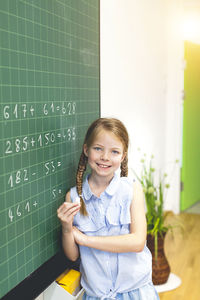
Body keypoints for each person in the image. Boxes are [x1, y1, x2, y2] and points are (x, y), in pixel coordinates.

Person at [57, 118, 159, 300]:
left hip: (136, 291)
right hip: (98, 294)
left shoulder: (132, 190)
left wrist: (85, 240)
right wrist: (66, 228)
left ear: (123, 156)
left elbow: (137, 242)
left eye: (114, 151)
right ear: (86, 149)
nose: (105, 157)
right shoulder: (73, 197)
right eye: (98, 148)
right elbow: (73, 256)